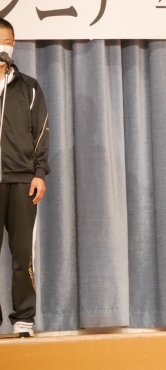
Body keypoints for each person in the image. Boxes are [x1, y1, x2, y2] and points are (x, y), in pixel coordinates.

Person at [0, 18, 49, 337]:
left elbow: (41, 131)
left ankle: (24, 319)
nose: (3, 47)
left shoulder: (29, 87)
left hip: (21, 181)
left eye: (8, 42)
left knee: (22, 255)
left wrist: (39, 172)